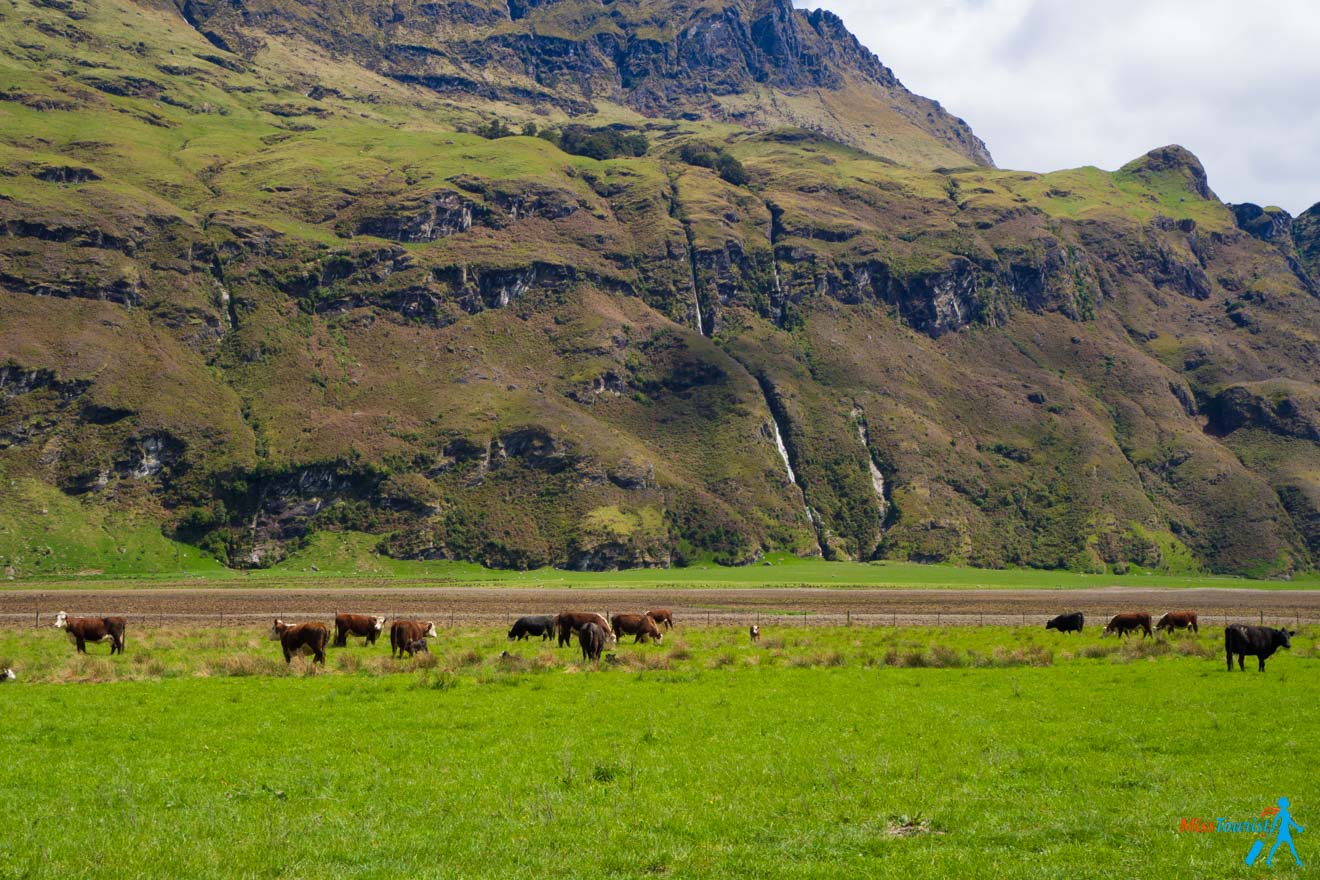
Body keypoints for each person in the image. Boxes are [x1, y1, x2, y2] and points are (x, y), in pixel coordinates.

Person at [1267, 796, 1305, 867]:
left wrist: (1297, 827)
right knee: (1282, 846)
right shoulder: (1283, 813)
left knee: (1287, 846)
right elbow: (1278, 821)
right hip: (1283, 832)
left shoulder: (1285, 813)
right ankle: (1269, 860)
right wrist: (1298, 828)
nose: (1288, 803)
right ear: (1284, 804)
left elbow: (1289, 822)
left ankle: (1298, 860)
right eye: (1286, 802)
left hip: (1285, 831)